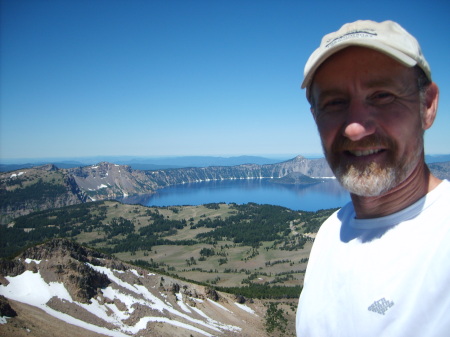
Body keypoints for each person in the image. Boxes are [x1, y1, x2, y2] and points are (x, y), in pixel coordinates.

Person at [296, 20, 450, 337]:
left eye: (382, 95)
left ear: (428, 105)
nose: (355, 128)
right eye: (334, 102)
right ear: (315, 117)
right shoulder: (329, 234)